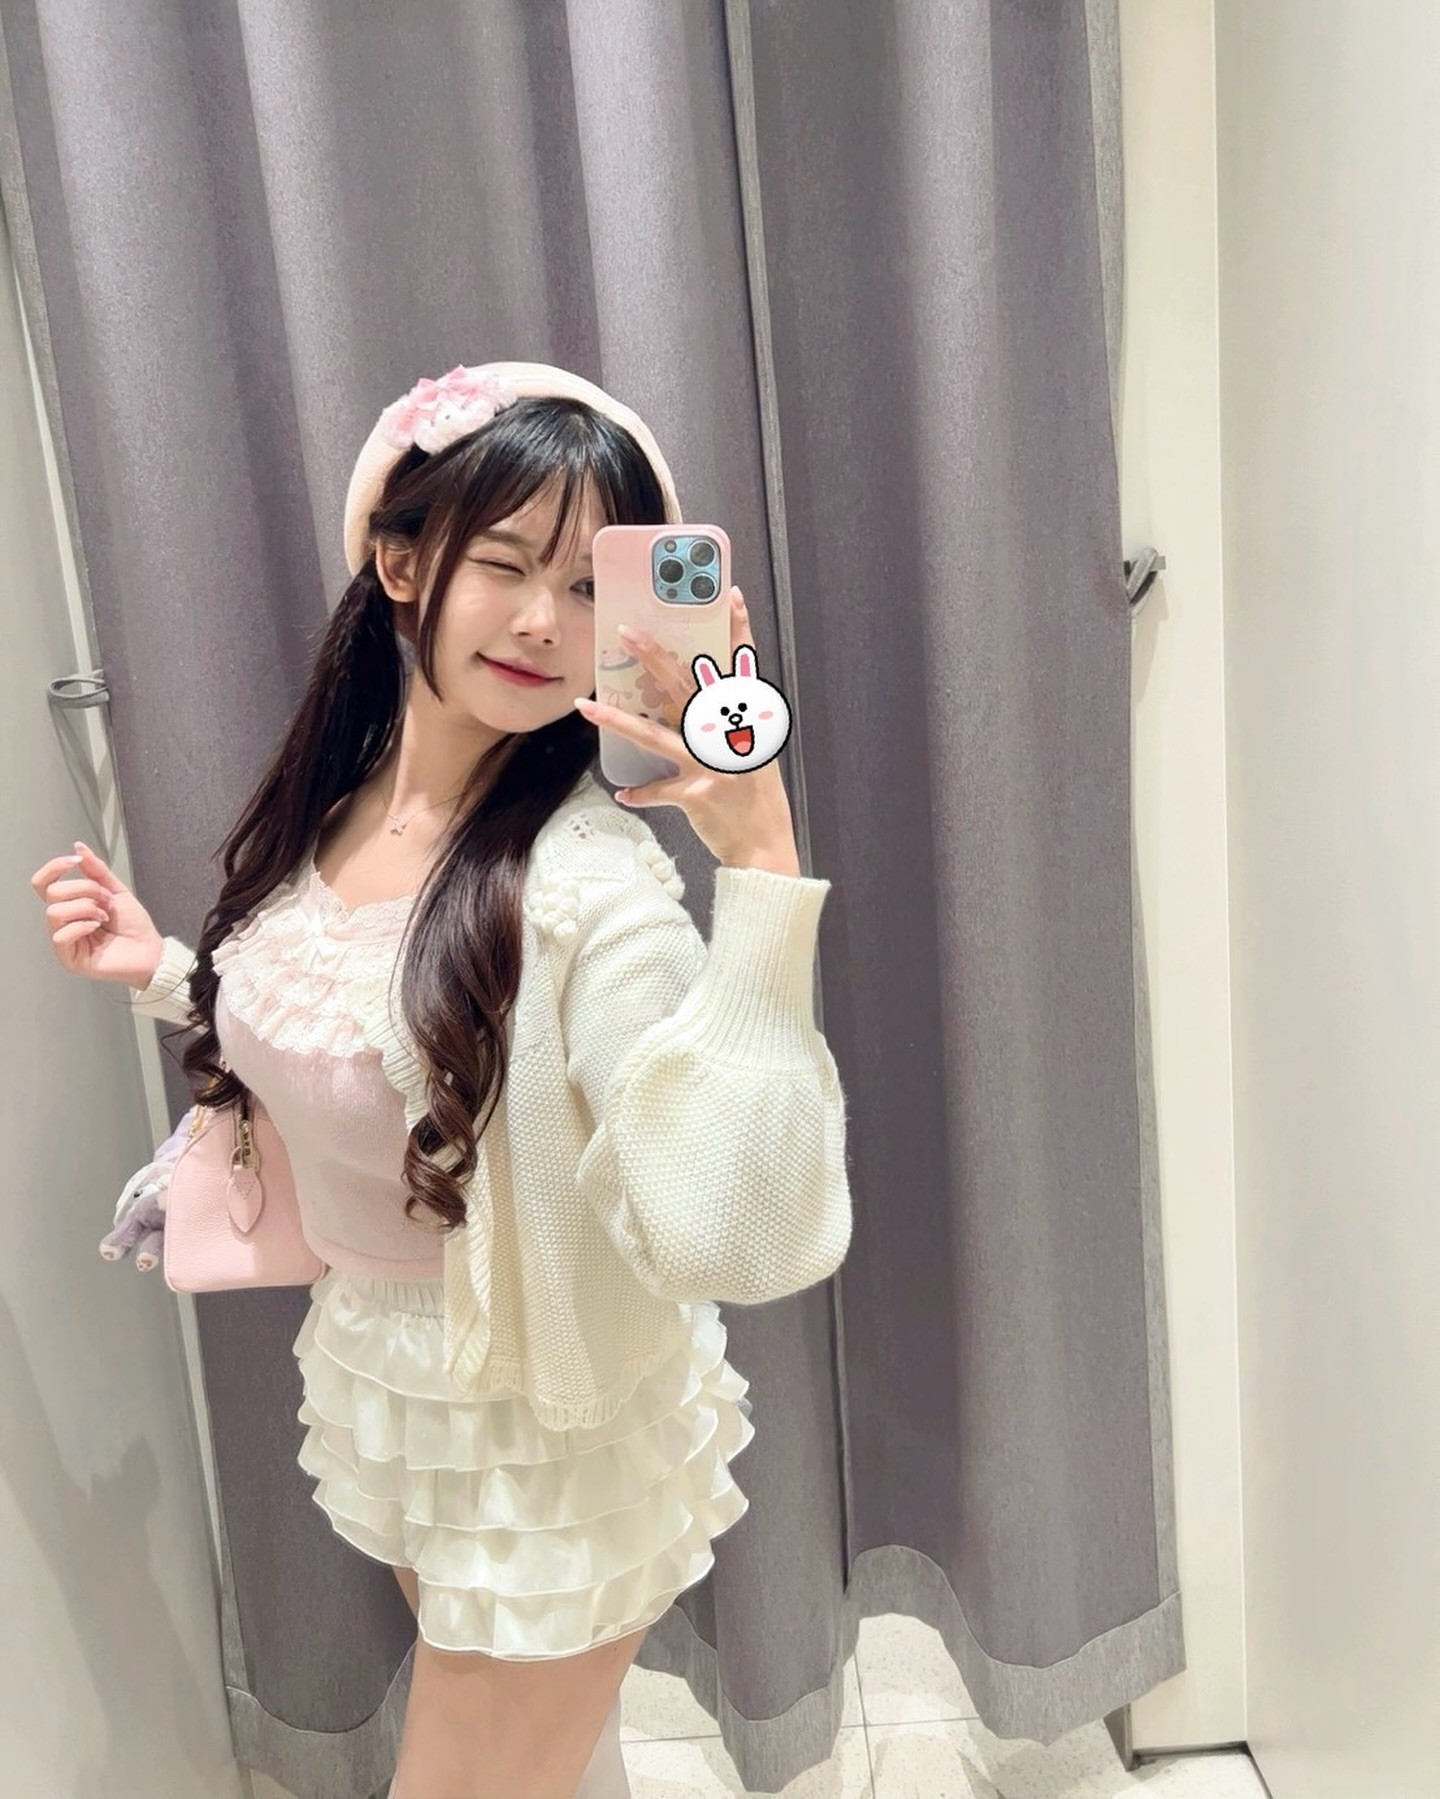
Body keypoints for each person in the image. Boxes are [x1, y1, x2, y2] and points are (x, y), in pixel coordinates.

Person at [29, 361, 852, 1799]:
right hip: (397, 1383)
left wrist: (764, 871)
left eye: (589, 586)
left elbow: (727, 1229)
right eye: (507, 564)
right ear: (403, 563)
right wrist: (168, 973)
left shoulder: (592, 888)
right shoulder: (336, 808)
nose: (545, 623)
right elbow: (359, 1031)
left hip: (548, 1434)